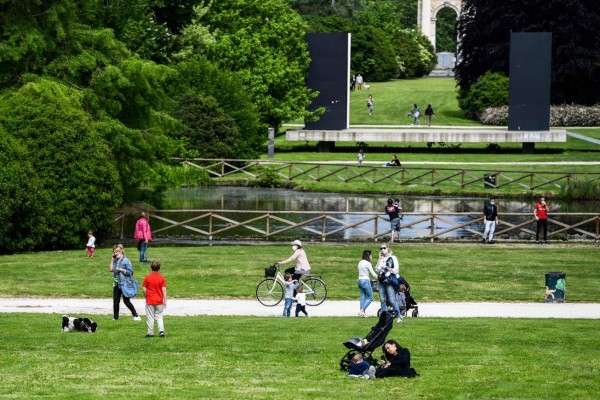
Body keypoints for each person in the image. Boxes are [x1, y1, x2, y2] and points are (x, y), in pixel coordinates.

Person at [110, 244, 141, 321]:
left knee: (126, 301)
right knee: (116, 301)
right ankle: (115, 318)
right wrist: (112, 260)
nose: (116, 253)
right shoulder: (115, 260)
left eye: (117, 251)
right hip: (116, 283)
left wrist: (121, 270)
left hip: (124, 284)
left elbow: (130, 272)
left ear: (121, 251)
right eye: (115, 252)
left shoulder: (126, 260)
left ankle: (136, 315)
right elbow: (111, 269)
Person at [376, 243, 402, 323]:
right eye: (381, 248)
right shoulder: (381, 259)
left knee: (392, 299)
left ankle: (398, 317)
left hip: (389, 281)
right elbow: (377, 269)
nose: (382, 250)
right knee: (382, 300)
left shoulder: (393, 258)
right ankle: (384, 319)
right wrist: (379, 259)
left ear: (388, 248)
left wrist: (386, 267)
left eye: (384, 248)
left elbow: (396, 270)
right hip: (381, 281)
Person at [142, 260, 167, 338]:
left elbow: (144, 288)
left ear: (151, 267)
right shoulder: (161, 278)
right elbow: (164, 289)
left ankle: (150, 333)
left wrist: (146, 295)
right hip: (159, 300)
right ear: (159, 268)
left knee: (150, 316)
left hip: (150, 300)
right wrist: (165, 300)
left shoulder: (148, 277)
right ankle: (161, 331)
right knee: (159, 316)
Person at [358, 250, 378, 317]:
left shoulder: (360, 262)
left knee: (363, 296)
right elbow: (373, 274)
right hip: (365, 280)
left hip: (360, 280)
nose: (371, 257)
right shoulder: (368, 263)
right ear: (368, 256)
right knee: (371, 297)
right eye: (370, 255)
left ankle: (361, 312)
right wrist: (379, 278)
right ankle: (362, 310)